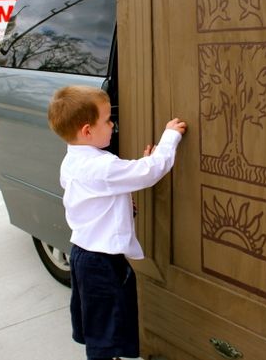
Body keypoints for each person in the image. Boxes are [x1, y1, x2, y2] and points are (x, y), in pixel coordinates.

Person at [47, 85, 187, 360]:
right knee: (109, 329)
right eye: (108, 120)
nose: (113, 124)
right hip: (102, 263)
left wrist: (124, 201)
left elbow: (95, 198)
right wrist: (170, 137)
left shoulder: (73, 161)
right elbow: (150, 172)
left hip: (82, 256)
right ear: (88, 131)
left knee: (99, 324)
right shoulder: (102, 167)